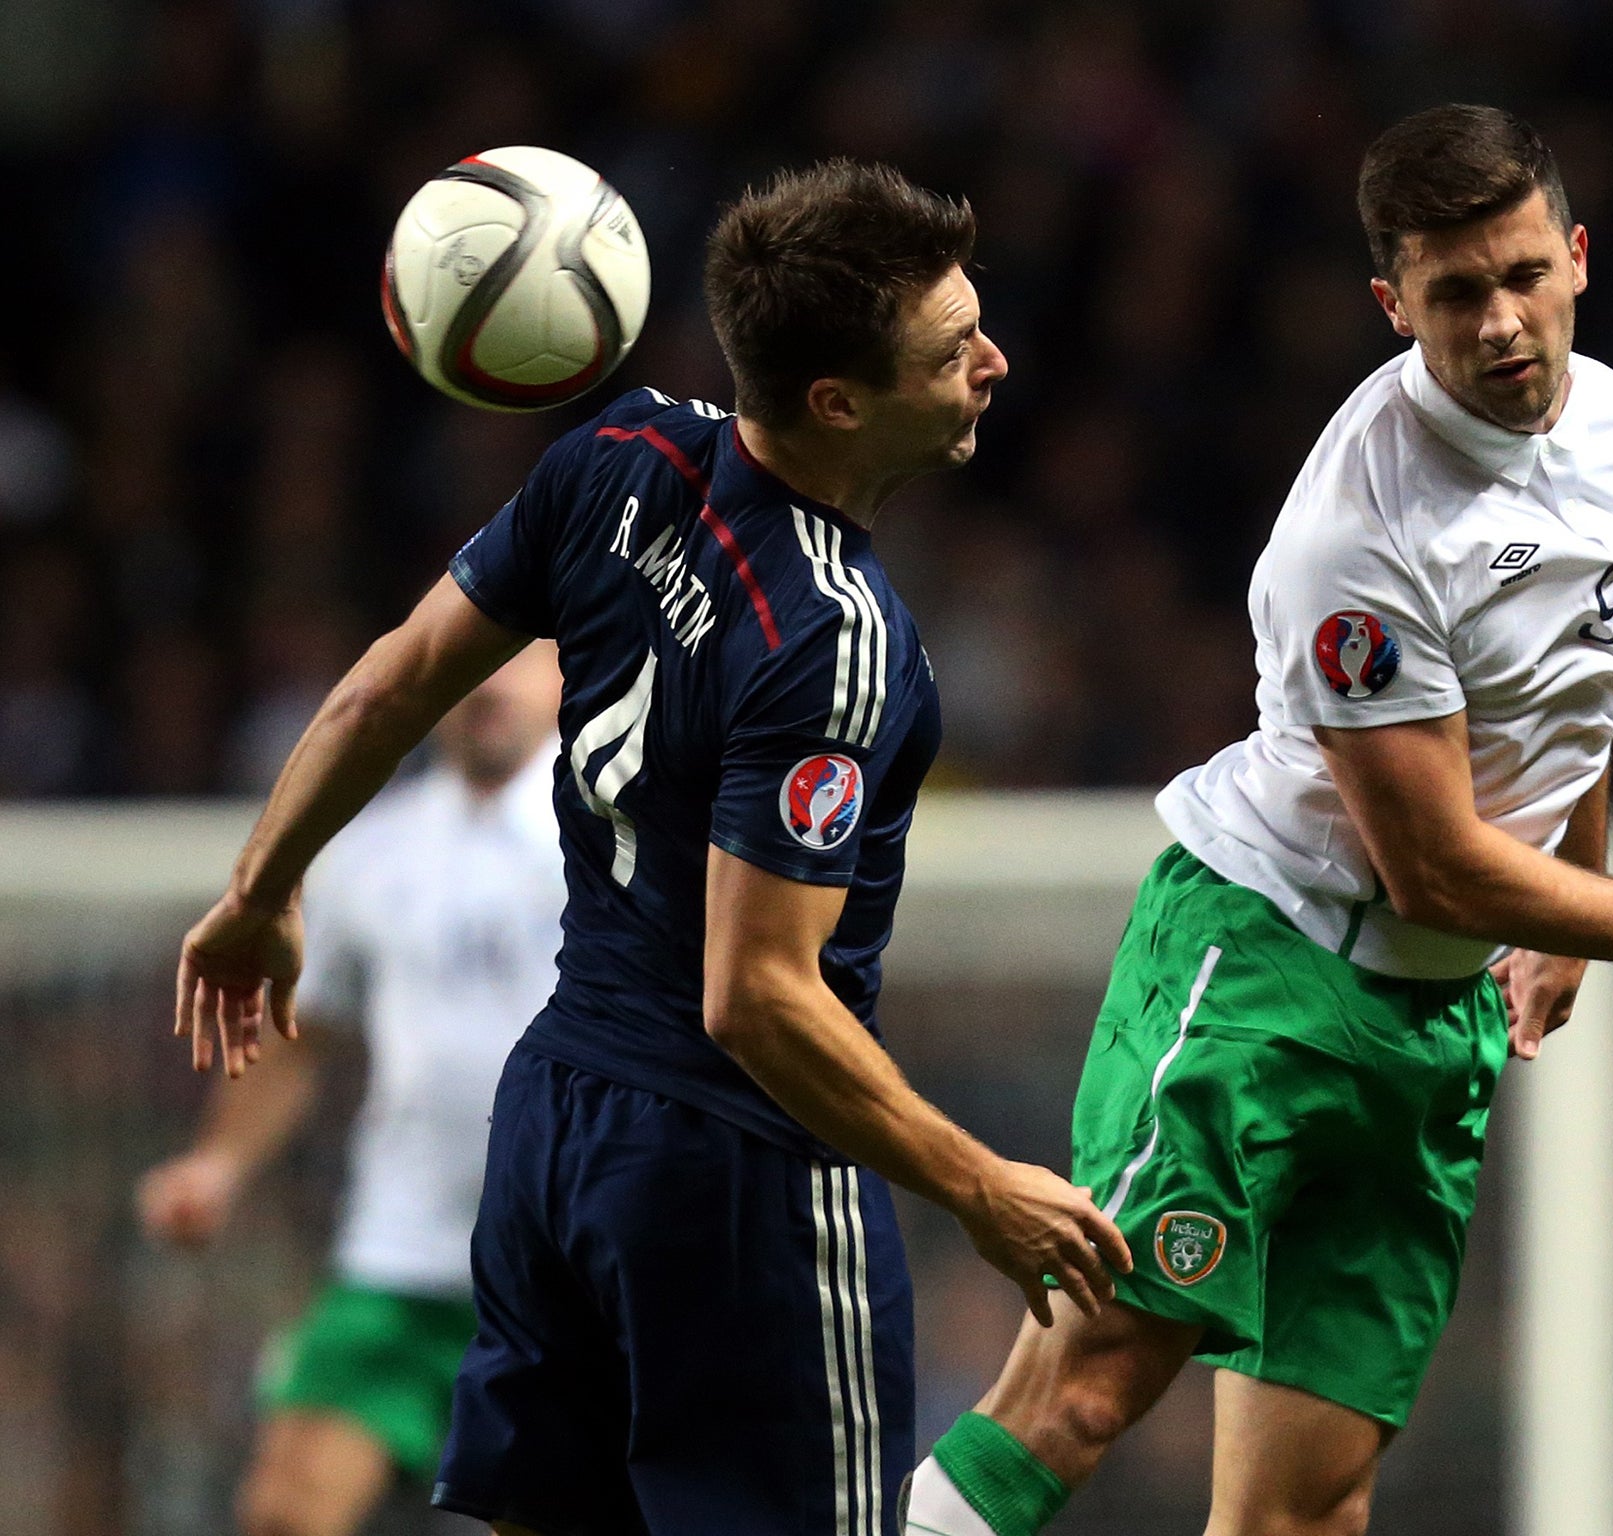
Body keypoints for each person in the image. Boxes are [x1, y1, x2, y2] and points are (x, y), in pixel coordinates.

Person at [903, 104, 1613, 1536]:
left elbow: (1574, 687)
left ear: (1577, 256)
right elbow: (1432, 862)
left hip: (1428, 1024)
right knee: (1086, 1393)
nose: (1504, 321)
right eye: (1458, 294)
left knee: (1310, 1503)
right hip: (1266, 977)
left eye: (1524, 273)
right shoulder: (1360, 530)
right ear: (1394, 307)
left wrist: (1577, 898)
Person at [171, 158, 1130, 1536]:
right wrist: (983, 1186)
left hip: (554, 1124)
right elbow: (758, 996)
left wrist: (262, 888)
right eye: (951, 348)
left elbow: (388, 683)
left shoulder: (624, 450)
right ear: (838, 401)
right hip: (734, 1182)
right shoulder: (834, 639)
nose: (993, 360)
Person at [138, 643, 563, 1536]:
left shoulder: (620, 836)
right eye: (476, 657)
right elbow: (304, 1040)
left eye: (520, 658)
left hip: (574, 1273)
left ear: (569, 676)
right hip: (401, 1257)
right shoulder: (372, 849)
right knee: (284, 1514)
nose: (490, 684)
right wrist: (218, 1164)